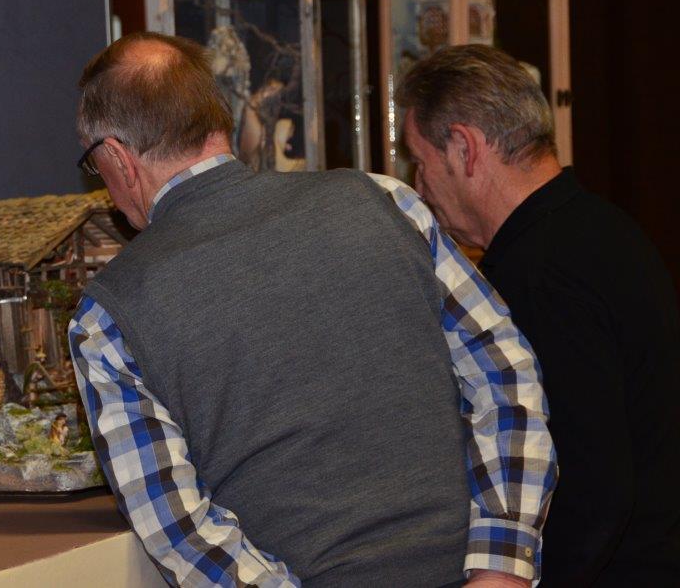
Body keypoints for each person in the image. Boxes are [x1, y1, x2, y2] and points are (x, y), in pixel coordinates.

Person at [68, 32, 555, 587]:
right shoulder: (385, 201)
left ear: (117, 157)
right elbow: (503, 373)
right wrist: (501, 565)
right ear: (219, 120)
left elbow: (181, 530)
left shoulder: (107, 316)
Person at [397, 43, 680, 585]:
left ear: (464, 147)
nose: (420, 186)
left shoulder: (536, 276)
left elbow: (585, 487)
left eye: (420, 162)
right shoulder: (603, 227)